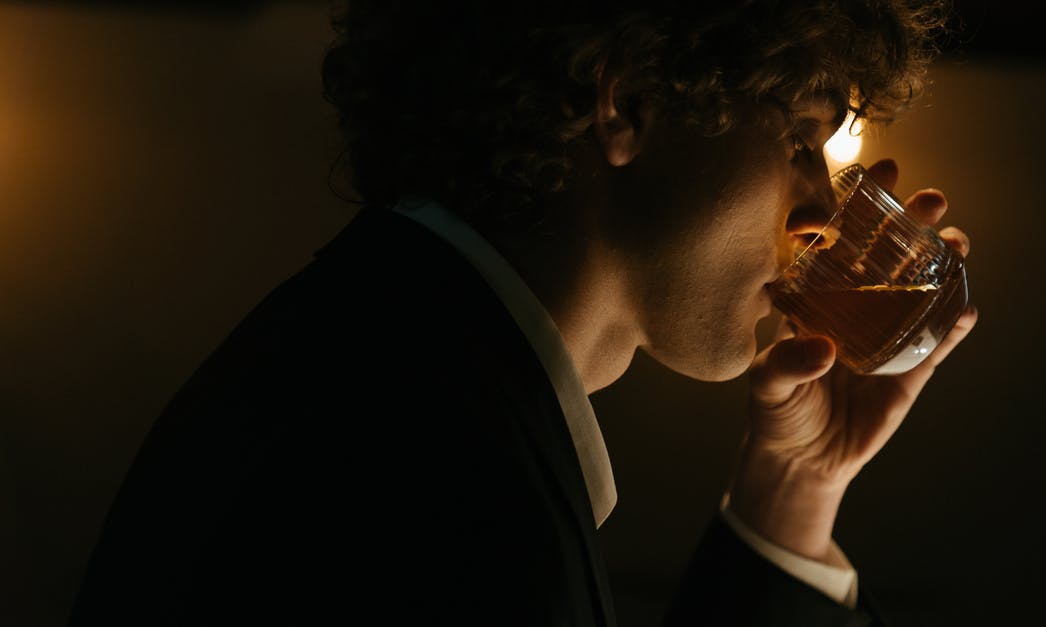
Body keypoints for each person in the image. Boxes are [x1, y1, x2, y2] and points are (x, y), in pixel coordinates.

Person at [68, 0, 977, 625]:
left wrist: (792, 491)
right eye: (797, 140)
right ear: (627, 104)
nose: (824, 211)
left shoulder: (397, 367)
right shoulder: (413, 464)